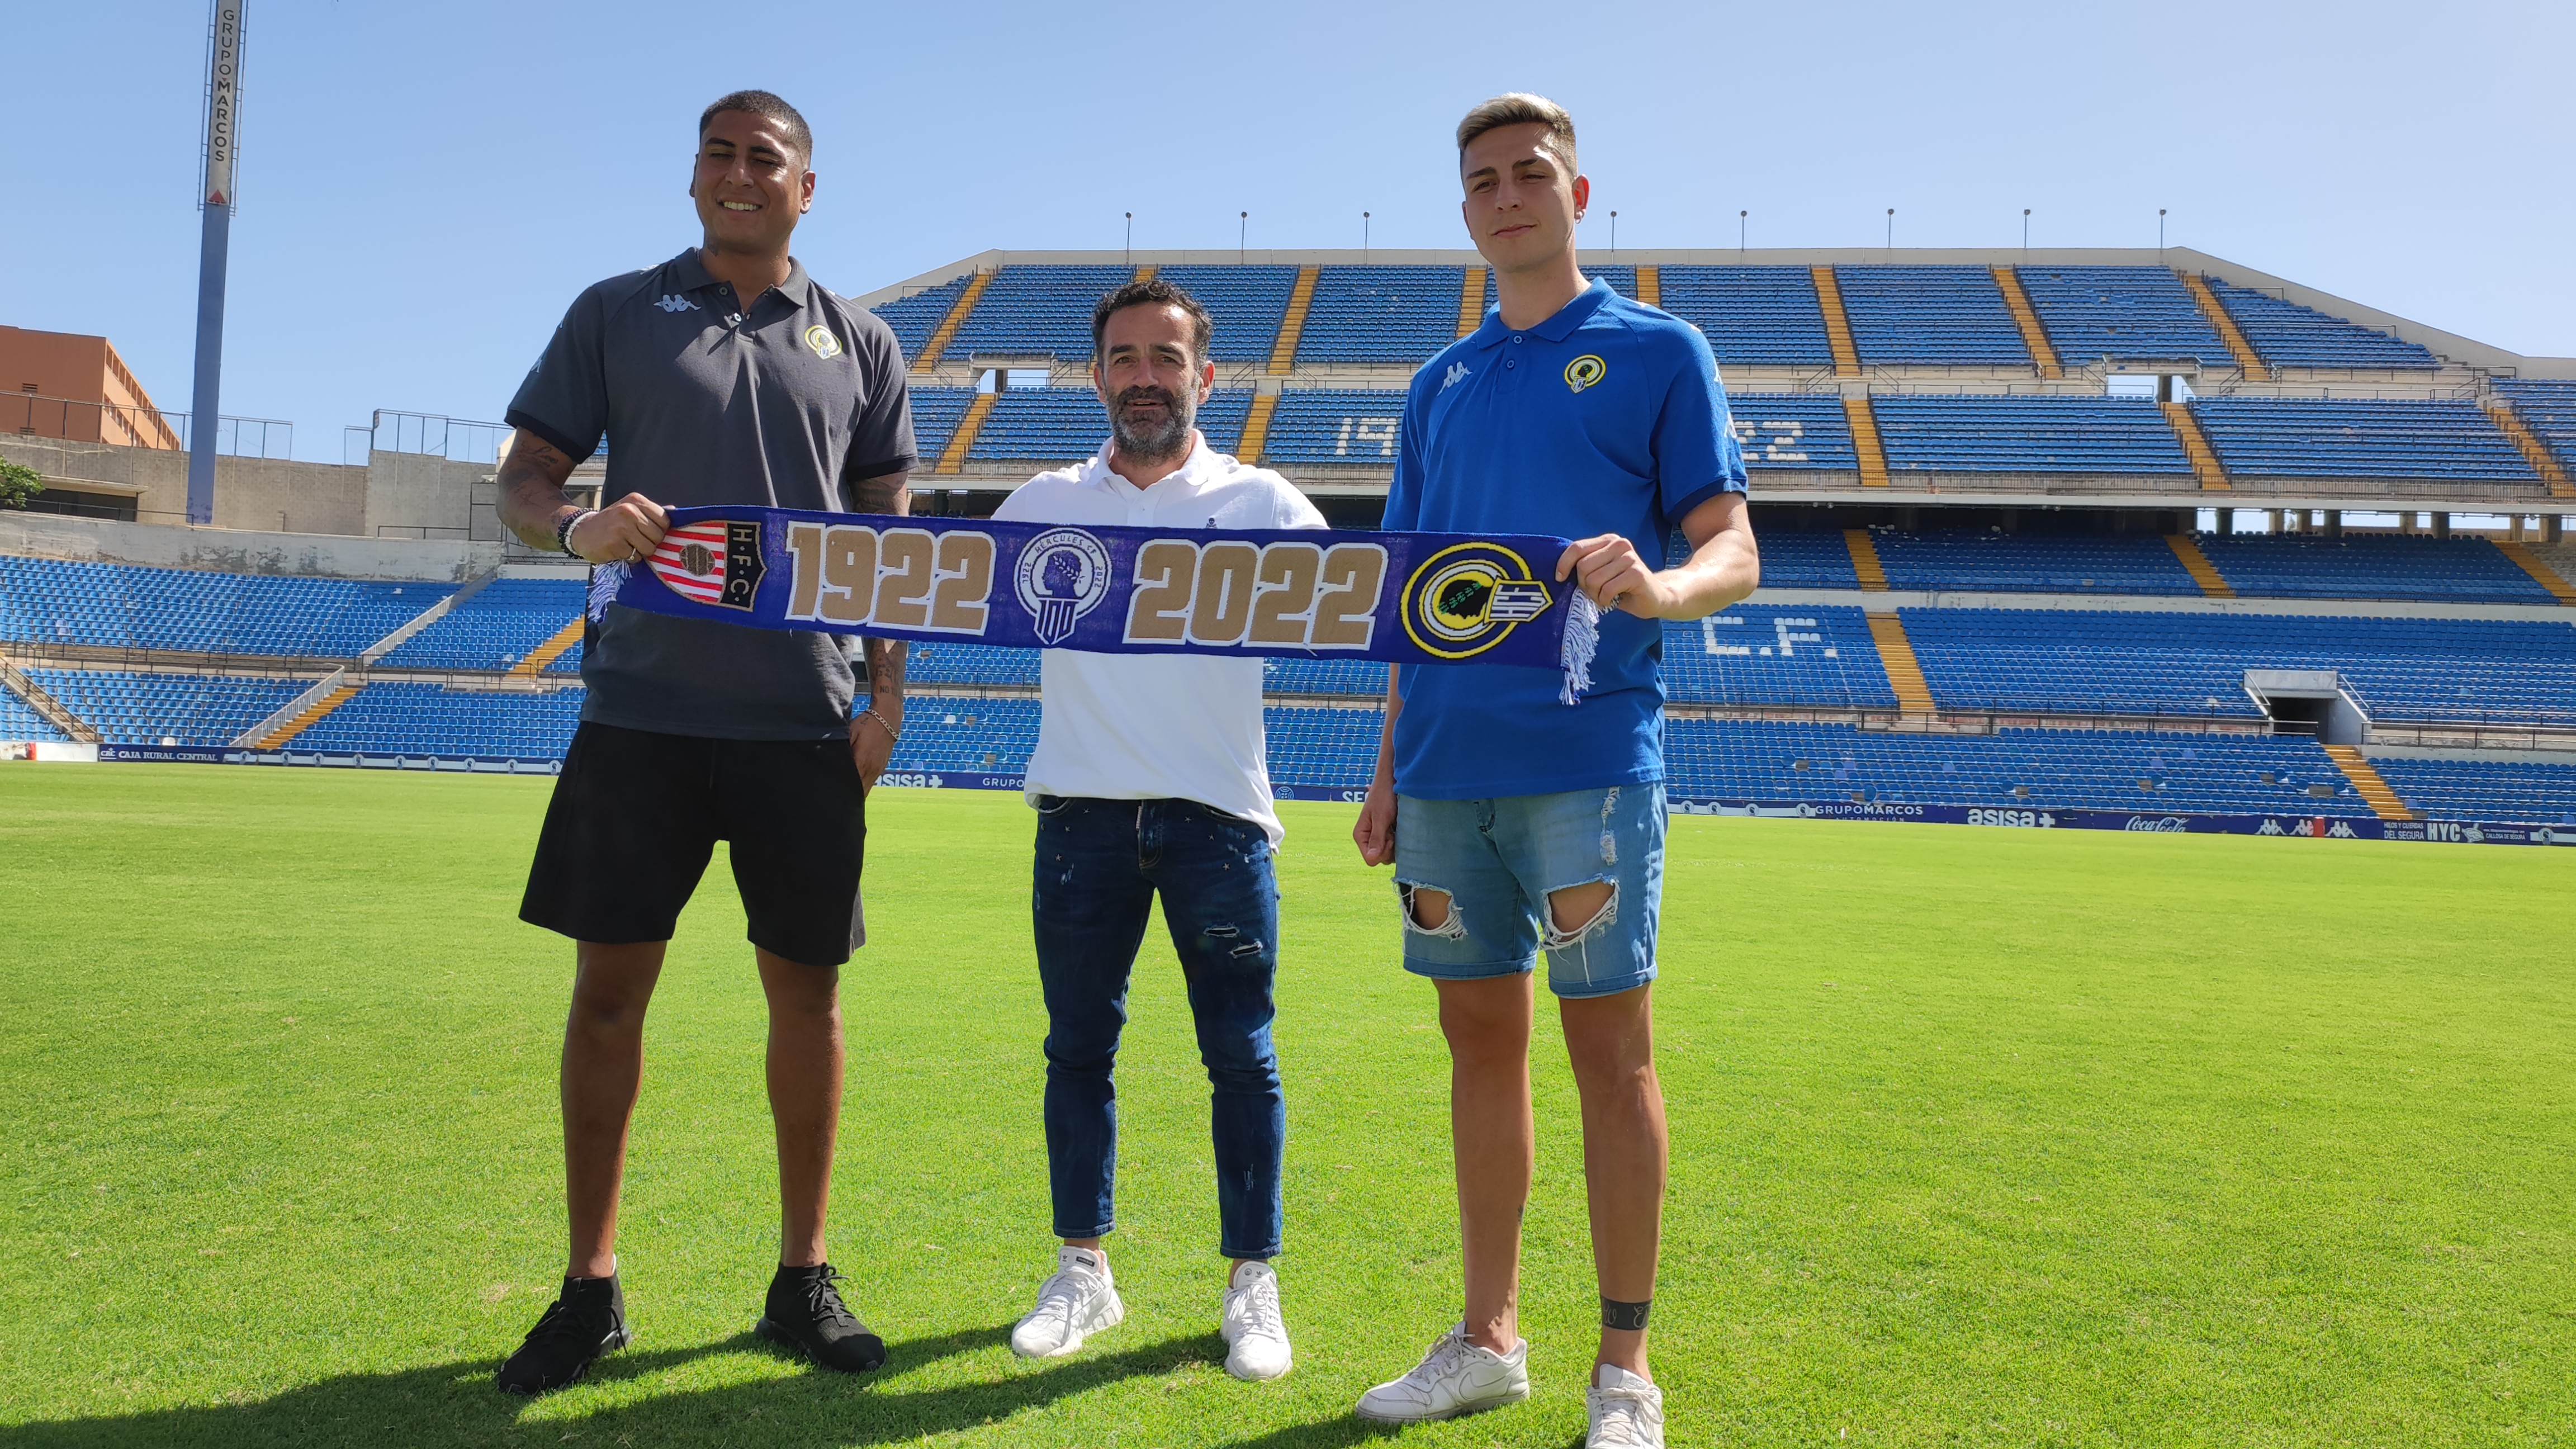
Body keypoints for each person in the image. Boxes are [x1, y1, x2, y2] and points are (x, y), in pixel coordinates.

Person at [488, 89, 916, 1395]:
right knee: (608, 996)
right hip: (642, 715)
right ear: (694, 180)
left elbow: (890, 543)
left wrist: (883, 694)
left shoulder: (866, 342)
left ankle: (803, 1278)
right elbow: (523, 482)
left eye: (765, 157)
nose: (741, 174)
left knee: (810, 999)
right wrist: (575, 529)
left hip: (801, 723)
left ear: (807, 184)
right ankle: (589, 1287)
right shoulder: (616, 309)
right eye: (720, 155)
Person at [1349, 94, 1759, 1448]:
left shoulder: (1659, 351)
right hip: (1448, 770)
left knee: (1611, 1057)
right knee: (1478, 1047)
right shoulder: (1439, 385)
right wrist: (1386, 764)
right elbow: (1414, 595)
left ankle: (1625, 1368)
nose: (1509, 194)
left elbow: (1735, 550)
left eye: (1534, 174)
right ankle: (1488, 1340)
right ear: (1464, 211)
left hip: (1588, 761)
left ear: (1580, 198)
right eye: (1484, 180)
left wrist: (1658, 584)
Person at [987, 278, 1319, 1382]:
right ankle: (1086, 1272)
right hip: (1080, 816)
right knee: (1077, 1051)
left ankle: (1251, 1286)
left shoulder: (1267, 503)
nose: (1144, 377)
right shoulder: (1037, 502)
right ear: (1098, 375)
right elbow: (921, 592)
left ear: (1204, 377)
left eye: (1165, 359)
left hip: (1219, 820)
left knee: (1244, 1058)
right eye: (1124, 358)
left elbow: (1371, 609)